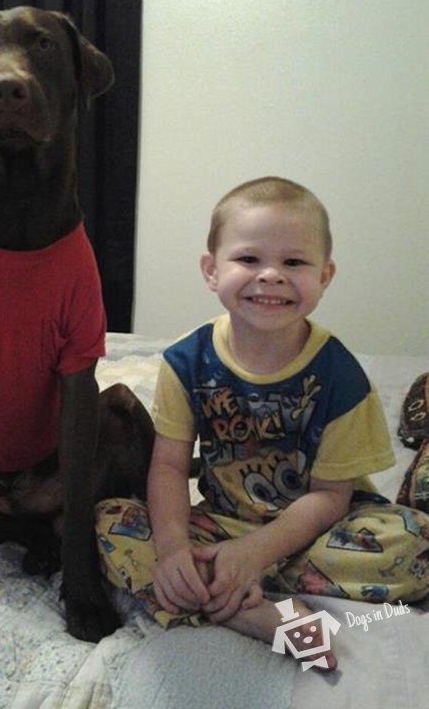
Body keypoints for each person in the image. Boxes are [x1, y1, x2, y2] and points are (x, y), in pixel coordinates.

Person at [95, 176, 429, 669]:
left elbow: (330, 496)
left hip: (318, 530)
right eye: (249, 259)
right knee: (110, 523)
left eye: (293, 262)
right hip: (222, 522)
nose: (270, 275)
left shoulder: (340, 375)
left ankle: (223, 587)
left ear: (324, 276)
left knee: (414, 540)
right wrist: (172, 552)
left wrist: (253, 555)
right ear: (211, 270)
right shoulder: (186, 361)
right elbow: (167, 468)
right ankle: (254, 615)